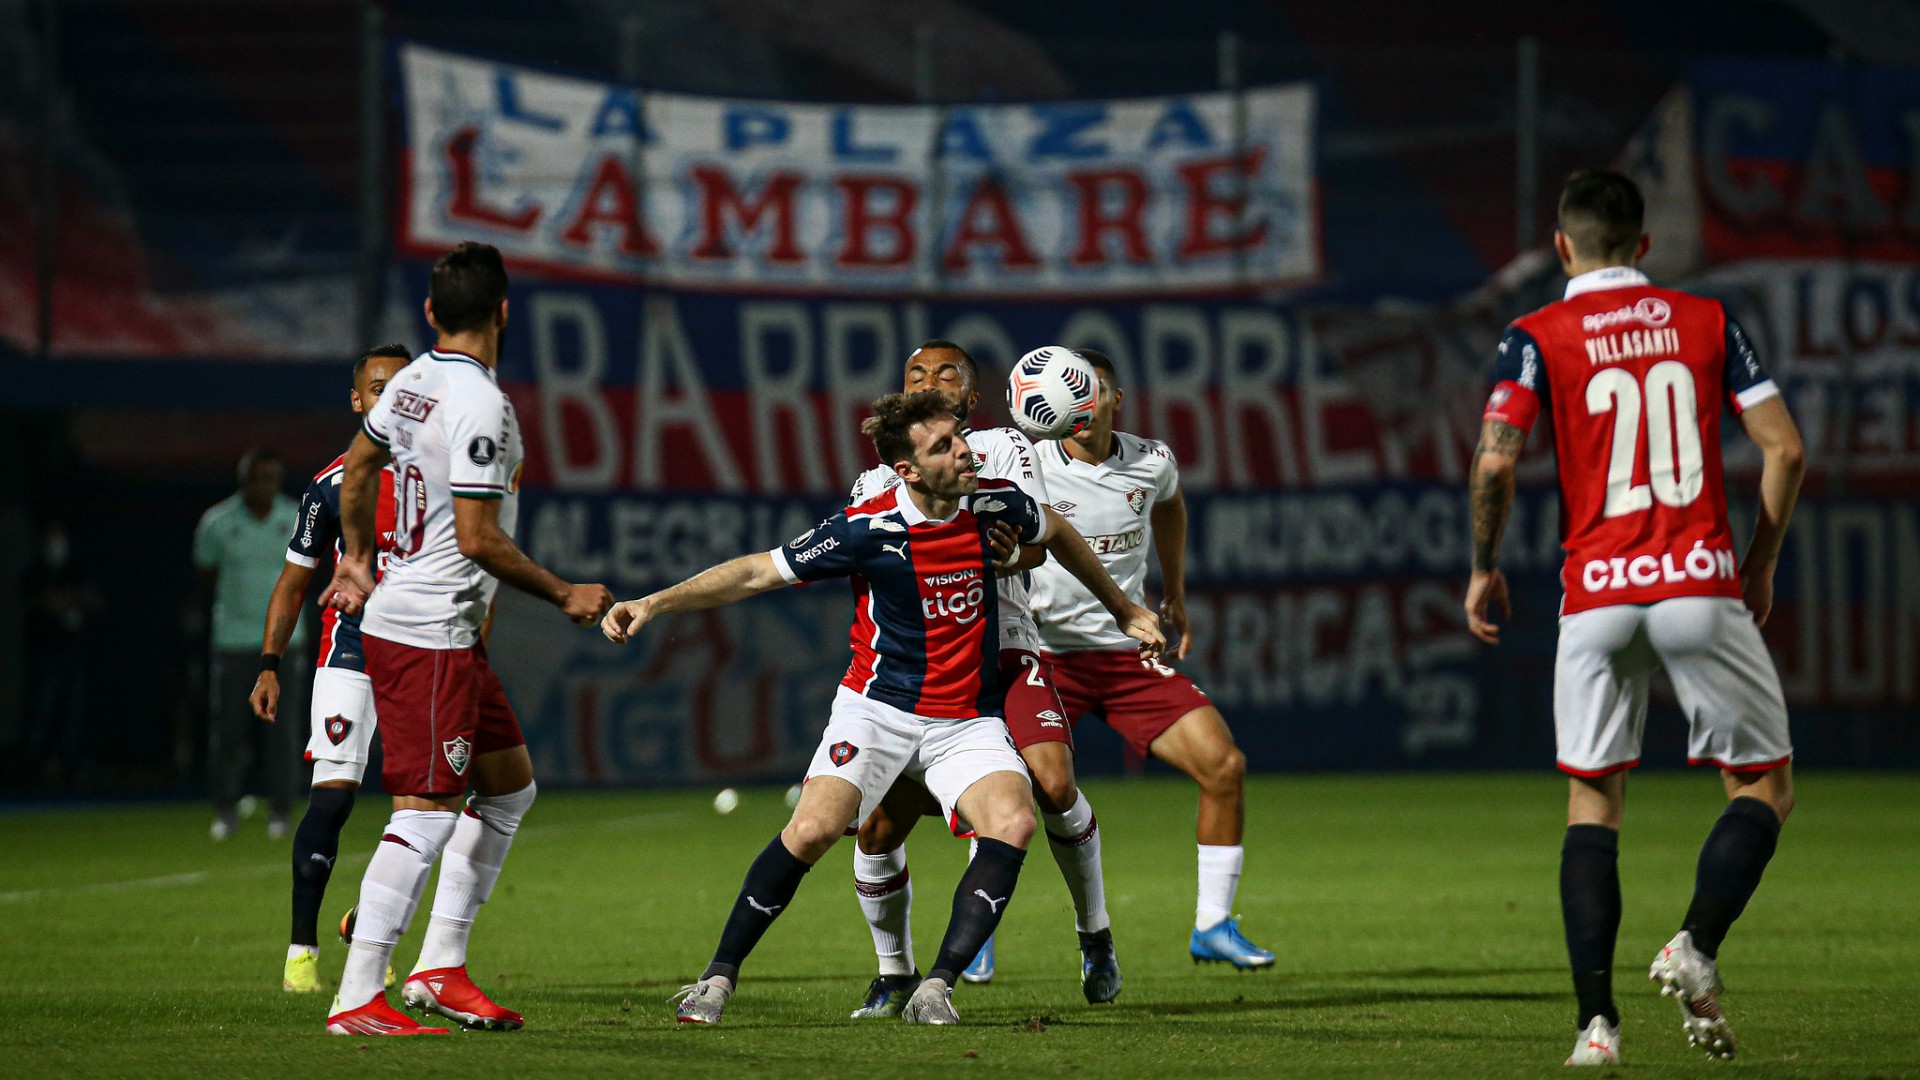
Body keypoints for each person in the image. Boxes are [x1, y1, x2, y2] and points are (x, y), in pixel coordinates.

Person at [604, 390, 1159, 1027]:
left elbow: (1056, 531)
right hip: (877, 710)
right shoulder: (868, 528)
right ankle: (716, 979)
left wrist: (1124, 609)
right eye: (943, 447)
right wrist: (652, 603)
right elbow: (758, 572)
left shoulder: (995, 502)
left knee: (1013, 822)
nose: (964, 451)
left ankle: (936, 987)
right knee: (813, 831)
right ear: (908, 471)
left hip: (966, 720)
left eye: (960, 437)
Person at [1466, 170, 1802, 1066]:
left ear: (1562, 246)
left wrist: (1485, 566)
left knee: (1593, 803)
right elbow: (1785, 448)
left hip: (1599, 595)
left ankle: (1596, 1029)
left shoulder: (1535, 335)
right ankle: (1694, 944)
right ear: (1644, 245)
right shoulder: (1708, 320)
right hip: (1698, 583)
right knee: (1763, 787)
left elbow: (1495, 463)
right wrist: (1760, 562)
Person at [319, 242, 614, 1036]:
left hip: (440, 629)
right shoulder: (479, 402)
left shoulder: (412, 381)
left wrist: (357, 556)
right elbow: (479, 538)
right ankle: (357, 996)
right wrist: (565, 593)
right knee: (425, 812)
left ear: (429, 312)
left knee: (509, 787)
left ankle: (439, 968)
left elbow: (358, 467)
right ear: (504, 312)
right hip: (429, 633)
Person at [843, 342, 1163, 1016]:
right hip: (922, 676)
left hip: (1007, 650)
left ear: (972, 398)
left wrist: (1013, 553)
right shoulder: (875, 483)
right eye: (916, 374)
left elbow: (1041, 542)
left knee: (1054, 784)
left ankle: (1095, 934)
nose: (929, 381)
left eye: (946, 373)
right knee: (876, 831)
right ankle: (893, 973)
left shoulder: (1007, 449)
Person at [1027, 349, 1276, 970]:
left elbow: (1170, 505)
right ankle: (979, 939)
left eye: (1092, 389)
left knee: (1224, 765)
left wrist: (1177, 591)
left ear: (1115, 399)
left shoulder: (1152, 461)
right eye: (1070, 391)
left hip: (1124, 656)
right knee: (1014, 793)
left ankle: (1213, 925)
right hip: (1042, 657)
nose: (1082, 402)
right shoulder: (1030, 464)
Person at [249, 344, 409, 994]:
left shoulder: (442, 475)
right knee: (333, 799)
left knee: (432, 808)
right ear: (357, 399)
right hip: (351, 654)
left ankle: (369, 924)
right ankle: (301, 952)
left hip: (423, 656)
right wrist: (269, 664)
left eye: (401, 387)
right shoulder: (331, 486)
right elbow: (293, 583)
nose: (389, 398)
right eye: (378, 388)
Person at [194, 448, 307, 841]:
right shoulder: (217, 522)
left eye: (270, 478)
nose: (263, 486)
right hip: (233, 642)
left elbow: (307, 572)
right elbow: (207, 570)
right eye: (256, 478)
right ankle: (225, 810)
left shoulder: (297, 517)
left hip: (285, 644)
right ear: (243, 481)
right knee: (228, 731)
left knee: (283, 733)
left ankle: (282, 811)